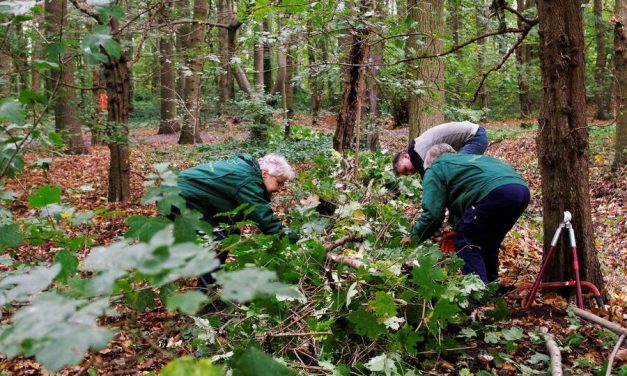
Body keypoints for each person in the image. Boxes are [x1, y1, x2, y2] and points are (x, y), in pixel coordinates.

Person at [403, 144, 529, 284]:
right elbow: (469, 198)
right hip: (520, 191)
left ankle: (478, 294)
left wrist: (412, 239)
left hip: (493, 192)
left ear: (429, 162)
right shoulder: (467, 161)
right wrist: (458, 230)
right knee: (489, 242)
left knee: (466, 243)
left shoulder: (435, 167)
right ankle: (492, 288)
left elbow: (433, 215)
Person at [173, 152, 298, 289]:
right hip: (178, 197)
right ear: (265, 174)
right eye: (279, 183)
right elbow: (264, 219)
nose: (279, 189)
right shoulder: (248, 181)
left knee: (230, 234)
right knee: (218, 244)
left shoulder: (247, 171)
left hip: (188, 197)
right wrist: (293, 239)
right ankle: (203, 299)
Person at [393, 121, 489, 177]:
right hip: (475, 134)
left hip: (475, 137)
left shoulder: (416, 153)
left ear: (406, 156)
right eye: (406, 174)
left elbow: (431, 184)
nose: (409, 173)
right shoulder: (417, 146)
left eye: (406, 169)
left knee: (458, 173)